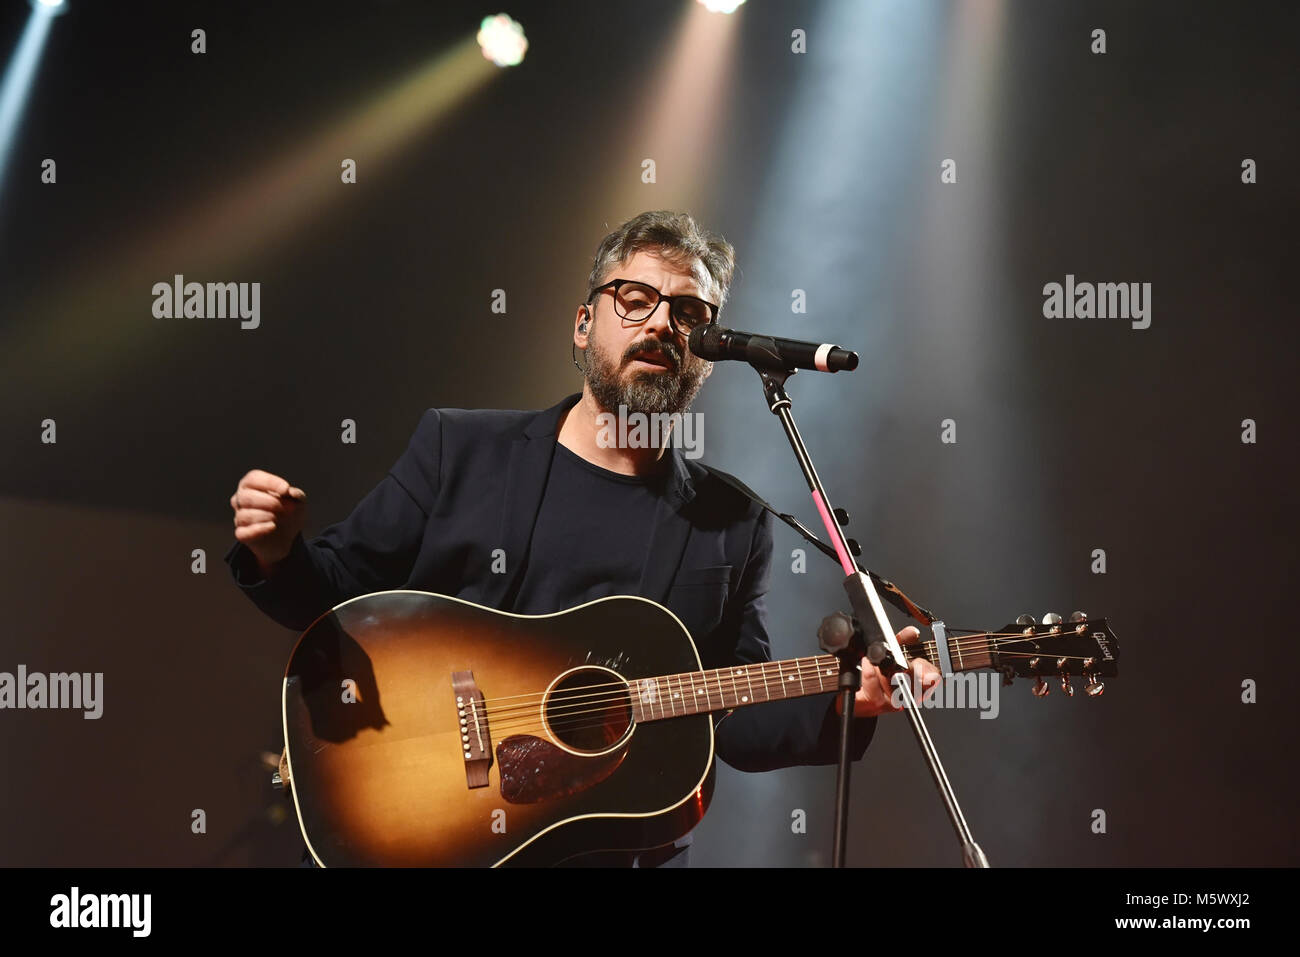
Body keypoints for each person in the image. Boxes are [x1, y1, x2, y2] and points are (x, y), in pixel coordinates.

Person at [224, 210, 940, 867]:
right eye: (635, 299)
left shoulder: (733, 522)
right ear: (582, 323)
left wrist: (850, 698)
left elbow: (727, 715)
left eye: (690, 313)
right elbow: (333, 596)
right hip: (437, 824)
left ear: (707, 352)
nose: (662, 324)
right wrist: (277, 549)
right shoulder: (460, 449)